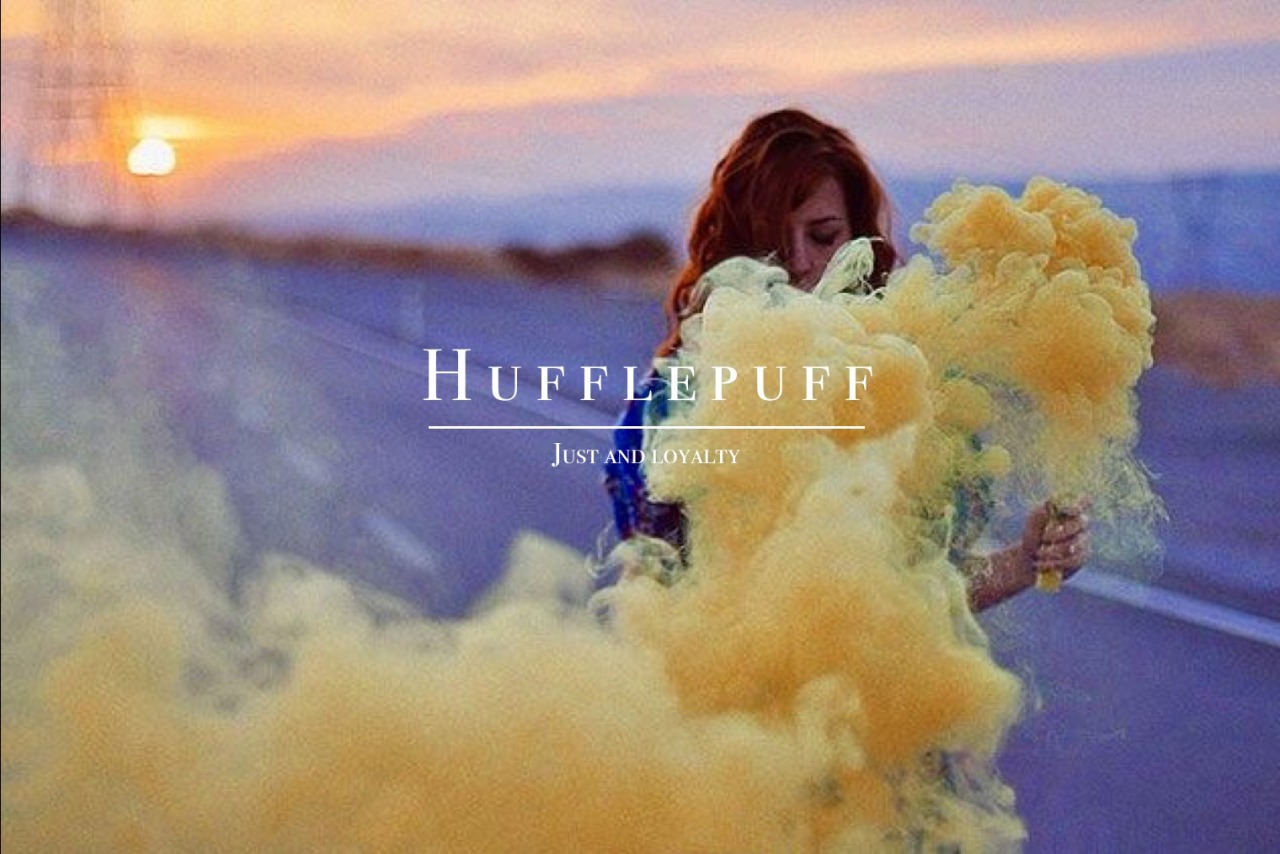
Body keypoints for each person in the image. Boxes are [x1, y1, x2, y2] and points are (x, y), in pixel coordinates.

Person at [603, 107, 1089, 611]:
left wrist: (1026, 561)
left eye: (823, 236)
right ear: (736, 248)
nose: (799, 262)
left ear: (858, 240)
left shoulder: (908, 384)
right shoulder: (670, 403)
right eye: (771, 242)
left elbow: (925, 591)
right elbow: (650, 605)